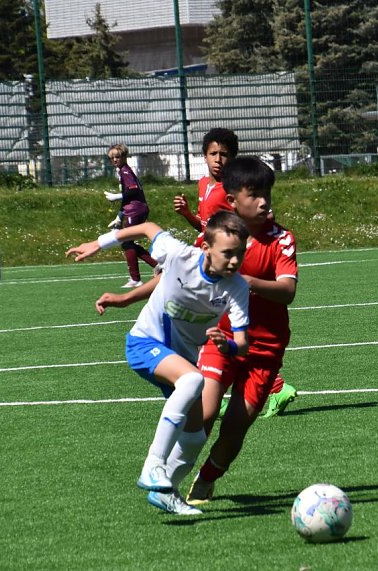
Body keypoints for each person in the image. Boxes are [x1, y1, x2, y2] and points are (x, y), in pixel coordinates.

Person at [95, 156, 298, 506]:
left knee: (235, 427)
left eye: (268, 193)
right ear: (233, 200)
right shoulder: (216, 237)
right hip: (219, 339)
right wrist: (127, 298)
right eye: (255, 194)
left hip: (263, 348)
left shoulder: (281, 240)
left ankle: (206, 478)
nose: (265, 202)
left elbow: (288, 290)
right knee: (201, 415)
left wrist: (244, 281)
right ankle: (165, 484)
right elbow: (173, 275)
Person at [67, 210, 253, 515]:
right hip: (144, 344)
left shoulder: (237, 288)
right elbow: (147, 227)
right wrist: (99, 243)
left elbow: (242, 345)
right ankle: (153, 465)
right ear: (206, 248)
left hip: (180, 360)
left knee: (195, 438)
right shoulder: (179, 254)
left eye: (240, 254)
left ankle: (166, 493)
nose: (234, 261)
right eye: (227, 253)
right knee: (193, 380)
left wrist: (228, 345)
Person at [172, 128, 297, 418]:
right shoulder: (204, 185)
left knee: (227, 332)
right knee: (218, 336)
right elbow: (207, 228)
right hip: (217, 262)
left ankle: (274, 387)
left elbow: (230, 229)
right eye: (213, 154)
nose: (218, 160)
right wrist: (188, 218)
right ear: (204, 156)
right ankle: (218, 397)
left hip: (231, 269)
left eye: (224, 154)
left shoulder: (231, 192)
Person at [103, 144, 157, 288]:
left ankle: (136, 278)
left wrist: (116, 196)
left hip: (136, 210)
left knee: (126, 242)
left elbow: (133, 191)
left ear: (124, 157)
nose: (114, 160)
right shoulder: (122, 171)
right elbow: (128, 198)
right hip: (132, 210)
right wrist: (119, 216)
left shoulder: (125, 171)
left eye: (117, 157)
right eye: (112, 158)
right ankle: (155, 266)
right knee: (127, 242)